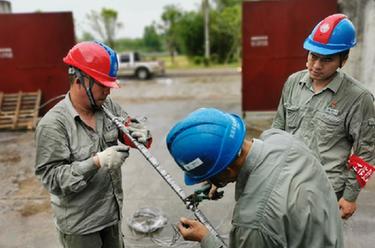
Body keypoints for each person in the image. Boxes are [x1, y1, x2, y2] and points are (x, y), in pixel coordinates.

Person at [166, 108, 343, 248]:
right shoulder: (282, 140)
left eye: (210, 177)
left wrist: (204, 238)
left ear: (227, 171)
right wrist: (217, 178)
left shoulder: (253, 222)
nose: (210, 182)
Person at [35, 41, 152, 248]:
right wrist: (96, 162)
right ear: (79, 79)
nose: (108, 92)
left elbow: (124, 126)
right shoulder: (53, 125)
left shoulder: (106, 105)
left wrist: (137, 134)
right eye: (103, 85)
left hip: (111, 215)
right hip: (81, 226)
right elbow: (51, 179)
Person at [272, 14, 375, 220]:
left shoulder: (358, 98)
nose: (316, 65)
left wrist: (350, 196)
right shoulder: (293, 82)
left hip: (326, 193)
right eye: (313, 55)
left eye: (327, 59)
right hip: (286, 183)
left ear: (343, 60)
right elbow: (277, 131)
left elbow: (366, 152)